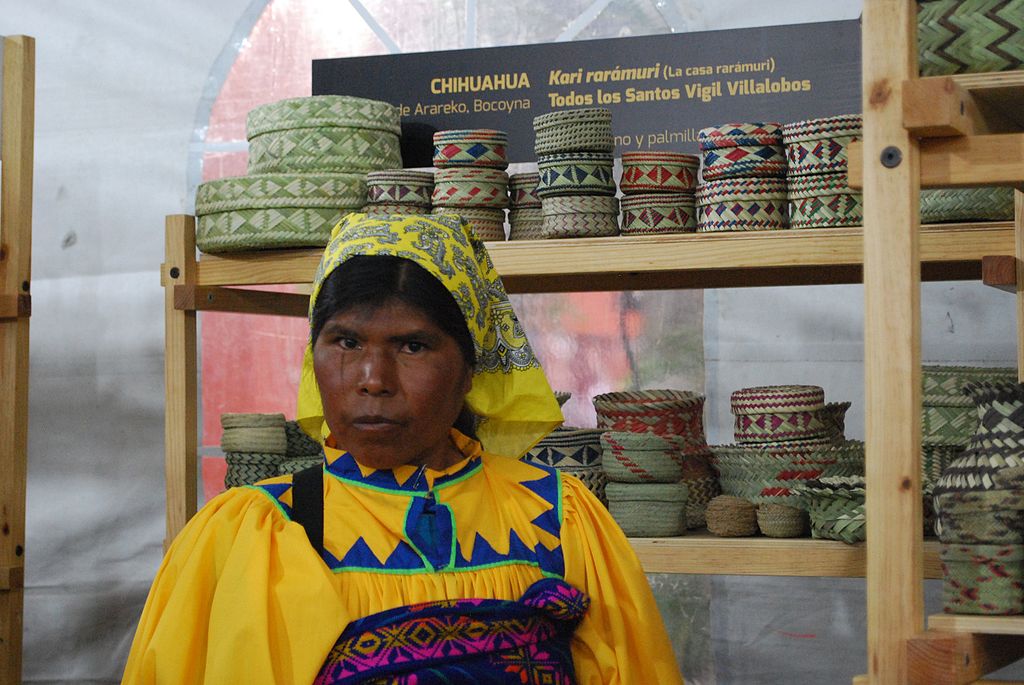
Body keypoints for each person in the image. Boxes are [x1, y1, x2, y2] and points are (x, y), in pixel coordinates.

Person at [122, 213, 685, 684]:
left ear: (471, 369)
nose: (372, 378)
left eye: (412, 345)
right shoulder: (258, 532)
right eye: (345, 342)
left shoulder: (558, 518)